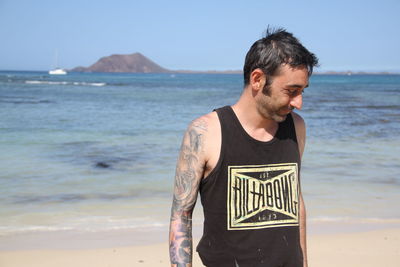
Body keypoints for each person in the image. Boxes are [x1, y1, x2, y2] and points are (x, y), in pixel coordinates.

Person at [169, 27, 319, 267]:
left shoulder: (297, 127)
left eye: (302, 92)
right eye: (291, 91)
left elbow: (295, 202)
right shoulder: (205, 132)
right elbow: (181, 216)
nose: (298, 102)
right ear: (257, 79)